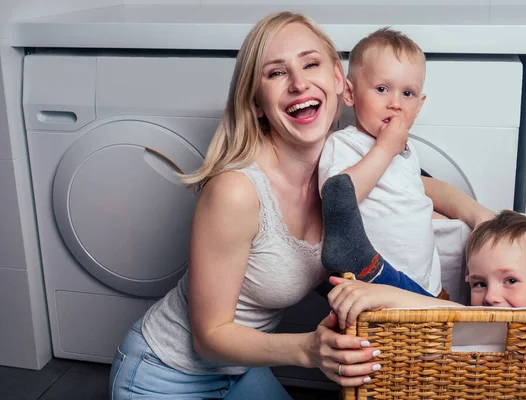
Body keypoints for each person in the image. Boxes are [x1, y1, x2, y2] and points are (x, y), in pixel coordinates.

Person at [109, 12, 381, 399]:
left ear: (338, 79)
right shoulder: (236, 191)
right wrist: (308, 349)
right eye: (275, 73)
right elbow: (209, 337)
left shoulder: (341, 169)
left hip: (240, 371)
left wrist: (477, 216)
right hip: (165, 373)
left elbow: (420, 191)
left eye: (311, 63)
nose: (299, 82)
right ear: (255, 103)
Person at [318, 28, 494, 297]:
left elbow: (406, 200)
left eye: (408, 94)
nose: (396, 103)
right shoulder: (344, 144)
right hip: (376, 286)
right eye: (381, 89)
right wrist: (386, 148)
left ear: (419, 105)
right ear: (350, 94)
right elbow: (340, 199)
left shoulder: (407, 149)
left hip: (426, 285)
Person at [328, 210, 526, 331]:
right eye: (480, 284)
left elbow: (457, 314)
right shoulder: (490, 321)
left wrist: (383, 295)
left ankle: (374, 271)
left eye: (510, 280)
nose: (490, 297)